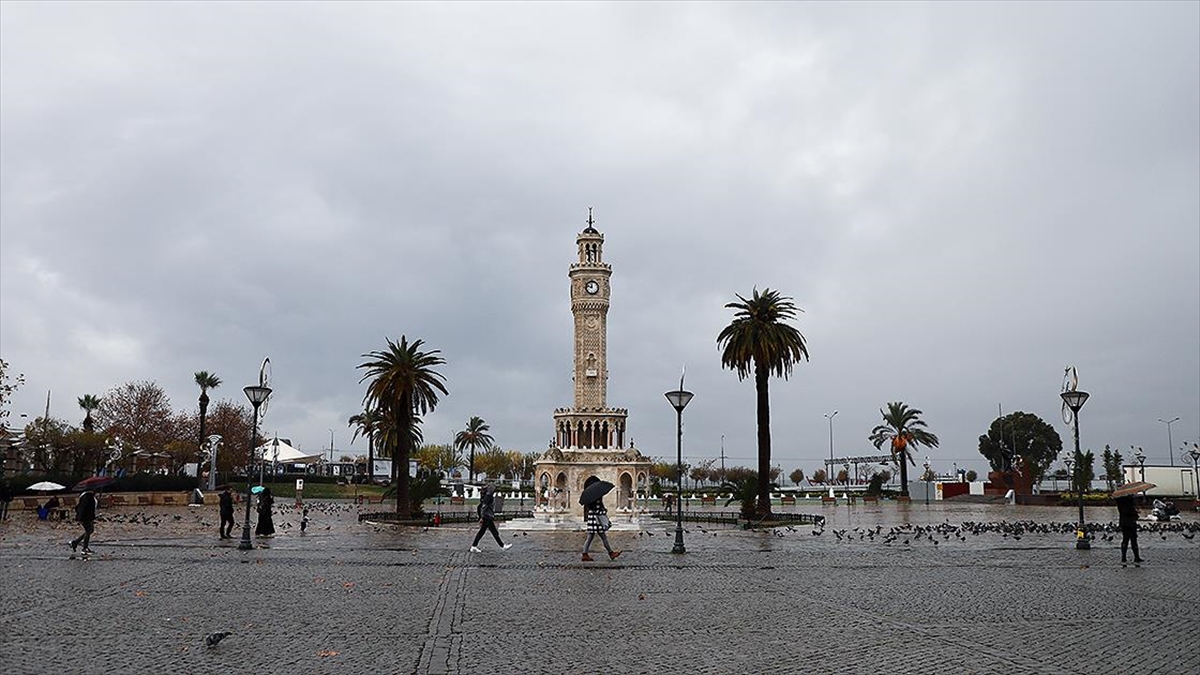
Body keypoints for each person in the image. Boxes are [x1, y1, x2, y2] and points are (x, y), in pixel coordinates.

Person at [581, 476, 620, 562]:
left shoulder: (593, 498)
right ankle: (611, 553)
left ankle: (585, 554)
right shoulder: (594, 499)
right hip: (596, 518)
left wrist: (602, 508)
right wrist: (601, 509)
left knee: (591, 537)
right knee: (600, 537)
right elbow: (596, 508)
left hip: (593, 518)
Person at [470, 483, 512, 553]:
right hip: (487, 517)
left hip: (487, 516)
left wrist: (482, 516)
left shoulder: (487, 496)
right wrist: (482, 517)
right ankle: (502, 546)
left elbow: (482, 506)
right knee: (494, 531)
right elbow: (484, 507)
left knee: (481, 532)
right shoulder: (488, 496)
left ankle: (474, 546)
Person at [1115, 494, 1143, 564]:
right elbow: (1128, 512)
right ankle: (1136, 557)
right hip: (1130, 522)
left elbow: (1123, 512)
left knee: (1125, 539)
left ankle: (1123, 557)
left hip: (1123, 522)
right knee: (1133, 540)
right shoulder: (1129, 501)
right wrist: (1136, 513)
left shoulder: (1119, 501)